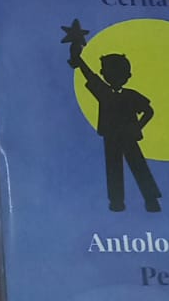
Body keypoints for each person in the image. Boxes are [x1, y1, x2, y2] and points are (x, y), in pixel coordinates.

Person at [67, 40, 161, 213]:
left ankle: (150, 199)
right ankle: (117, 201)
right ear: (104, 73)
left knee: (138, 166)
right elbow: (90, 75)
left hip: (128, 137)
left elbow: (149, 111)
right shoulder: (104, 92)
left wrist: (138, 127)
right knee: (114, 168)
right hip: (111, 137)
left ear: (127, 75)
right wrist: (78, 59)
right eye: (108, 72)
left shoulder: (130, 95)